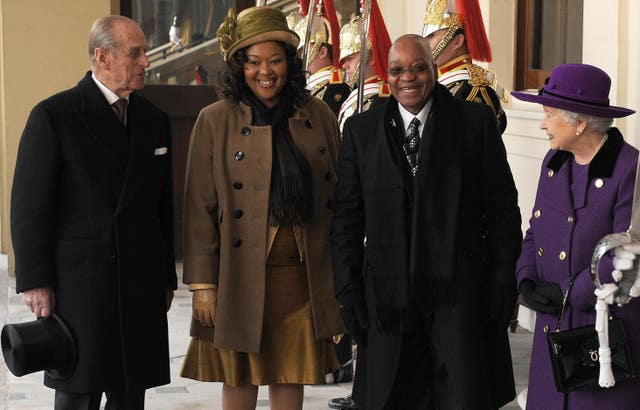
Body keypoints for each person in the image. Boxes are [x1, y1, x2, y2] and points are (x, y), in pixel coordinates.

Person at [331, 34, 521, 409]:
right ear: (387, 76)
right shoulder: (361, 131)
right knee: (395, 396)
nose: (409, 78)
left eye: (418, 67)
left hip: (459, 291)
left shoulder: (474, 122)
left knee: (461, 395)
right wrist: (347, 289)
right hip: (388, 296)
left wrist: (503, 280)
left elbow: (502, 209)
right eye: (398, 70)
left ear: (432, 70)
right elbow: (347, 219)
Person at [179, 6, 344, 409]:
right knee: (240, 374)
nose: (265, 71)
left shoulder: (317, 114)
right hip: (239, 273)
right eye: (253, 62)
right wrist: (203, 285)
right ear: (239, 66)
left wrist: (343, 275)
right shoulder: (214, 120)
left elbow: (338, 198)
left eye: (275, 60)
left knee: (292, 371)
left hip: (303, 274)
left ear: (290, 64)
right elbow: (199, 206)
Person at [10, 15, 177, 409]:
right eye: (135, 53)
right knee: (78, 392)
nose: (146, 62)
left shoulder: (154, 121)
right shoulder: (54, 116)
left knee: (130, 391)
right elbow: (29, 208)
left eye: (144, 53)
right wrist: (36, 282)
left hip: (139, 282)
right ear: (102, 56)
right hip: (80, 288)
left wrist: (166, 278)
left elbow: (162, 208)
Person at [511, 63, 640, 409]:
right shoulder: (554, 162)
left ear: (580, 122)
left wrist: (569, 292)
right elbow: (534, 230)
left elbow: (628, 254)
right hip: (552, 328)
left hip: (601, 334)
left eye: (549, 114)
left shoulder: (630, 169)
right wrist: (525, 280)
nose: (541, 123)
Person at [423, 0, 508, 134]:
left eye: (431, 36)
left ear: (458, 42)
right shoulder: (437, 82)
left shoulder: (473, 90)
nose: (424, 43)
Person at [288, 0, 351, 117]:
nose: (298, 57)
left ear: (322, 52)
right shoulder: (303, 85)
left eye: (302, 51)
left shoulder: (335, 89)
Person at [336, 0, 391, 131]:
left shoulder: (380, 101)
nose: (345, 65)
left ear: (371, 58)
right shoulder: (354, 96)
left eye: (350, 58)